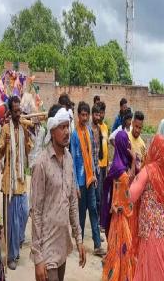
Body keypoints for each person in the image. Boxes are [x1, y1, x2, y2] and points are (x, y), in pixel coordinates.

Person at [31, 105, 86, 281]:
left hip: (62, 245)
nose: (66, 131)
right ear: (52, 131)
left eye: (67, 126)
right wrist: (38, 258)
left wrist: (78, 238)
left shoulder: (69, 159)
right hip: (46, 249)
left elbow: (72, 203)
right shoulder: (42, 164)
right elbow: (36, 211)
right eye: (61, 127)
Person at [129, 134, 164, 281]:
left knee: (155, 274)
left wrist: (130, 179)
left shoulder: (149, 170)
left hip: (152, 232)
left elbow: (131, 196)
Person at [0, 95, 32, 270]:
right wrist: (5, 144)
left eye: (20, 111)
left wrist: (27, 137)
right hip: (9, 183)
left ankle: (17, 243)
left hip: (21, 181)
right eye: (16, 111)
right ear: (11, 111)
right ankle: (12, 256)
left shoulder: (24, 127)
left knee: (24, 213)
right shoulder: (6, 129)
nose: (19, 114)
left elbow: (28, 150)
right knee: (12, 222)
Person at [70, 101, 106, 256]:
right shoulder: (74, 135)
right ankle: (81, 245)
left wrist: (95, 175)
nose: (85, 118)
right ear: (78, 115)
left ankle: (97, 245)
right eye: (82, 115)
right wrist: (75, 185)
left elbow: (91, 155)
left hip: (91, 178)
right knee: (81, 213)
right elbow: (72, 160)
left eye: (86, 115)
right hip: (79, 180)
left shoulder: (90, 132)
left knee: (93, 210)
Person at [101, 131, 135, 281]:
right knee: (124, 251)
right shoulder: (122, 172)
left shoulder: (115, 165)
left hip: (114, 218)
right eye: (126, 142)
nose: (128, 144)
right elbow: (130, 193)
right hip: (121, 219)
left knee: (115, 251)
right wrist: (134, 161)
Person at [90, 103, 102, 218]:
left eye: (99, 115)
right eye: (96, 115)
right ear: (92, 115)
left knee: (98, 196)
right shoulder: (88, 130)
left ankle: (97, 221)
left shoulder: (99, 129)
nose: (98, 117)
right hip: (89, 169)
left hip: (97, 167)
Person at [98, 101, 109, 230]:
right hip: (97, 164)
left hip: (104, 164)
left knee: (103, 193)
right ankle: (99, 222)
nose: (102, 115)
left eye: (103, 112)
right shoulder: (95, 128)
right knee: (99, 194)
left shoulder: (105, 127)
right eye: (100, 112)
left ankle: (101, 221)